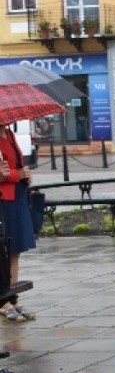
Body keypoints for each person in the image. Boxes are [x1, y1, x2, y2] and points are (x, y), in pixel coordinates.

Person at [0, 122, 37, 323]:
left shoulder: (10, 134)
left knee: (15, 249)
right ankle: (3, 300)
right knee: (4, 250)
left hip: (18, 195)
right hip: (3, 198)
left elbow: (16, 164)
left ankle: (13, 296)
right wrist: (17, 175)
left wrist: (25, 174)